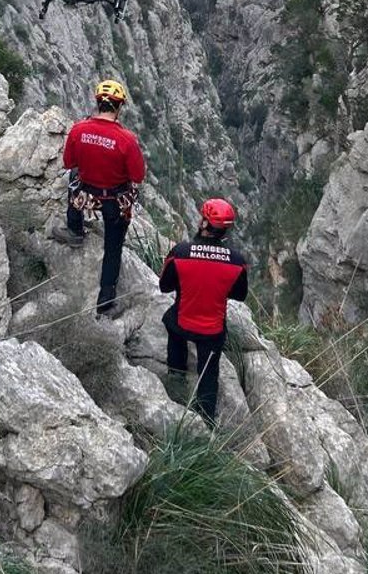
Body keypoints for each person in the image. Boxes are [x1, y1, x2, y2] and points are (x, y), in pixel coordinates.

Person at [55, 78, 146, 317]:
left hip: (87, 194)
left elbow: (68, 163)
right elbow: (138, 176)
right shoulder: (127, 139)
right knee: (113, 248)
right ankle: (106, 300)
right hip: (115, 201)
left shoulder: (78, 129)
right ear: (119, 107)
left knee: (74, 177)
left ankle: (74, 229)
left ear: (97, 103)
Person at [158, 199, 249, 425]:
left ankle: (176, 377)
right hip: (212, 330)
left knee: (171, 322)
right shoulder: (237, 262)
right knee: (209, 375)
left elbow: (164, 286)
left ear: (204, 224)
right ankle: (206, 420)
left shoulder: (181, 252)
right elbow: (239, 295)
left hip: (183, 321)